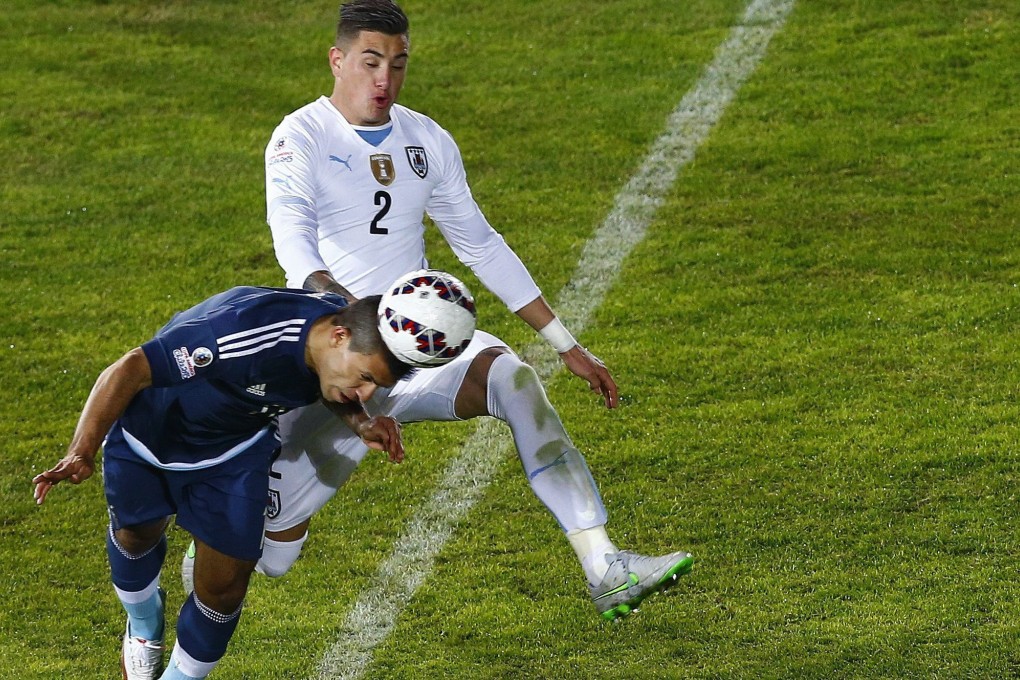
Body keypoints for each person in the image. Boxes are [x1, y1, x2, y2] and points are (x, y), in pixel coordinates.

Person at [189, 0, 693, 621]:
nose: (384, 80)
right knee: (267, 557)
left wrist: (566, 343)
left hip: (423, 349)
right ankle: (175, 581)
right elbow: (295, 246)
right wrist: (363, 316)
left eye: (398, 65)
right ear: (337, 59)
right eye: (371, 62)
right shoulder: (301, 137)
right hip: (341, 367)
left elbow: (479, 241)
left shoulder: (426, 138)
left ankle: (604, 566)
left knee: (513, 379)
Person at [33, 286, 414, 680]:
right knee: (136, 536)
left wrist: (360, 420)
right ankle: (145, 627)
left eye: (374, 386)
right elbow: (130, 368)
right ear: (338, 337)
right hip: (152, 435)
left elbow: (321, 374)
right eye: (366, 378)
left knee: (225, 587)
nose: (365, 392)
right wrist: (81, 450)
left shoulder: (332, 342)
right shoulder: (240, 334)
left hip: (235, 452)